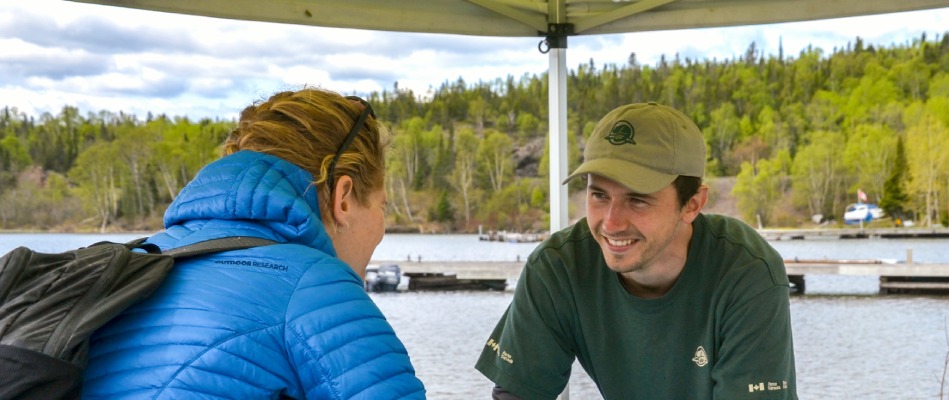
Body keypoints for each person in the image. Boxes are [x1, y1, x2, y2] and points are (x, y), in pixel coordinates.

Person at [82, 88, 426, 399]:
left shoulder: (136, 262)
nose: (383, 226)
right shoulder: (318, 287)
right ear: (344, 198)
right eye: (382, 205)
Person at [475, 102, 797, 399]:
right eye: (599, 195)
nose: (611, 224)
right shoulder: (559, 267)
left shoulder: (747, 272)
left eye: (638, 200)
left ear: (693, 204)